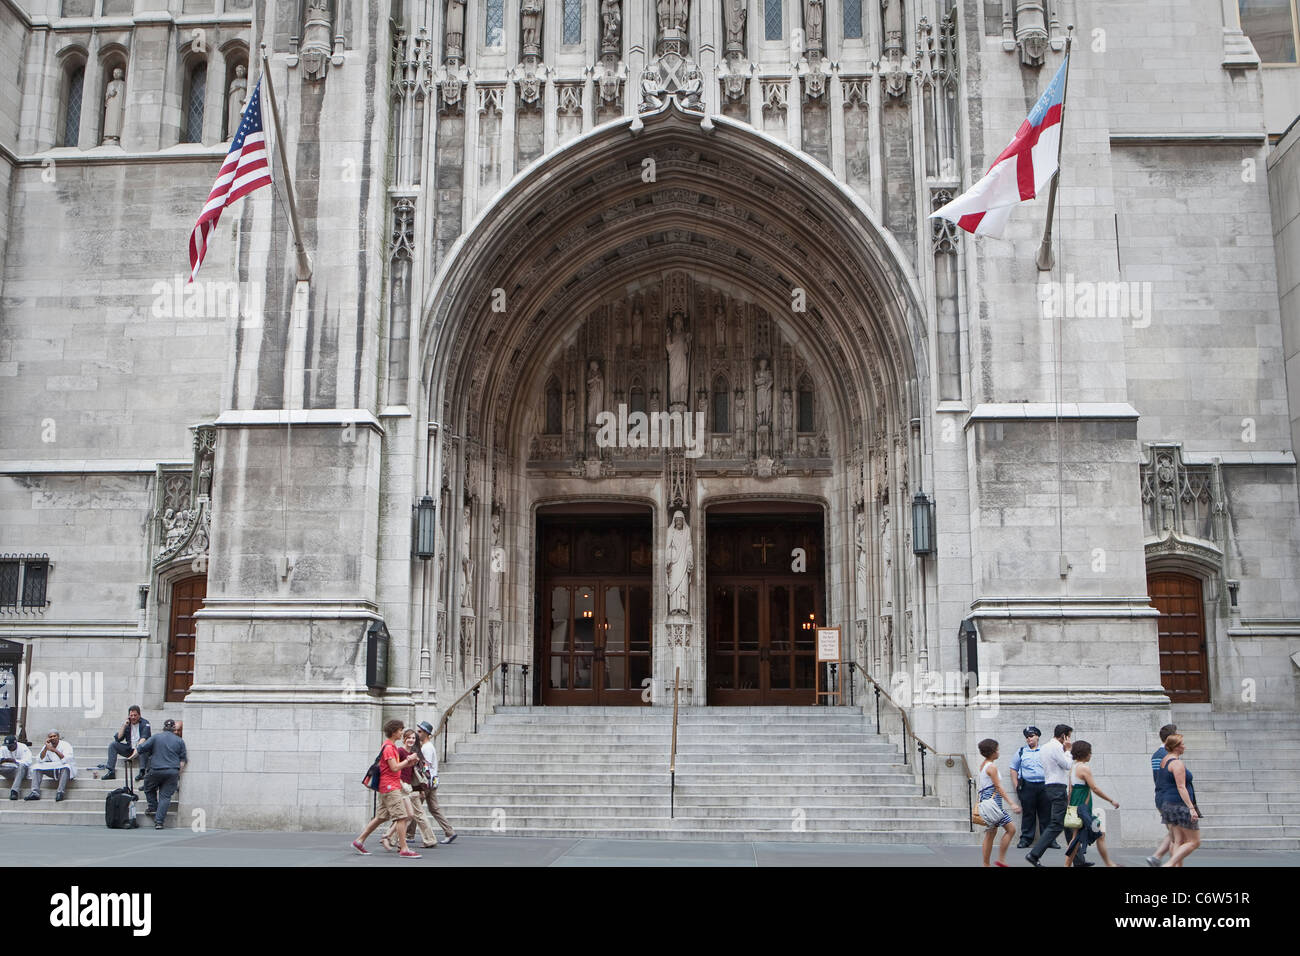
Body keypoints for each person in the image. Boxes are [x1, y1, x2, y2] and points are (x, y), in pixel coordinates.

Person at [352, 718, 421, 858]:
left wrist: (409, 763)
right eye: (401, 730)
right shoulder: (389, 748)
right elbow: (394, 767)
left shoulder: (390, 746)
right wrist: (408, 760)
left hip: (387, 786)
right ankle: (404, 848)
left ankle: (359, 841)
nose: (402, 732)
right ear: (394, 731)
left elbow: (395, 768)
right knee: (402, 817)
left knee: (381, 817)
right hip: (390, 787)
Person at [1062, 741, 1121, 867]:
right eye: (1090, 752)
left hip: (1077, 807)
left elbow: (1070, 790)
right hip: (1083, 809)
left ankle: (1109, 864)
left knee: (1095, 834)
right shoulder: (1084, 768)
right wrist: (1111, 800)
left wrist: (1070, 807)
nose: (1091, 755)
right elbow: (1094, 788)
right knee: (1077, 838)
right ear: (1084, 753)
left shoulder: (1073, 767)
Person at [381, 729, 439, 850]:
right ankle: (392, 838)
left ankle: (390, 837)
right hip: (400, 785)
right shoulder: (400, 751)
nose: (411, 740)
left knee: (406, 815)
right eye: (409, 738)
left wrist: (420, 788)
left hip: (408, 787)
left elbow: (415, 773)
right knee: (406, 815)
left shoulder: (413, 753)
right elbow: (394, 768)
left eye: (413, 738)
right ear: (404, 739)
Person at [1025, 723, 1072, 866]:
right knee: (1057, 824)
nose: (1070, 739)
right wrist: (1068, 750)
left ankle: (1078, 859)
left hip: (1050, 786)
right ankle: (1034, 854)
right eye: (1069, 736)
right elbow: (1068, 765)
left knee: (1068, 826)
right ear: (1064, 736)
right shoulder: (1057, 747)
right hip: (1058, 787)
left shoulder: (1045, 747)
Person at [1009, 726, 1059, 850]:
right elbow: (1013, 768)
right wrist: (1016, 786)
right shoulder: (1021, 751)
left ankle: (1049, 840)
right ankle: (1026, 839)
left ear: (1037, 736)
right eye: (1027, 737)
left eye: (1031, 736)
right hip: (1027, 786)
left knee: (1046, 814)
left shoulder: (1045, 751)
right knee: (1028, 814)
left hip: (1044, 786)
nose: (1028, 739)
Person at [131, 718, 186, 829]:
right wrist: (177, 773)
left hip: (156, 770)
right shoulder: (180, 741)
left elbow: (141, 748)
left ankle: (153, 806)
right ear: (174, 729)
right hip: (172, 771)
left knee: (147, 787)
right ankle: (159, 822)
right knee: (165, 797)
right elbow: (182, 761)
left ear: (164, 727)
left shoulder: (156, 737)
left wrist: (131, 756)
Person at [1156, 734, 1201, 867]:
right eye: (1182, 744)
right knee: (1194, 841)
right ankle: (1169, 864)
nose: (1184, 746)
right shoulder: (1177, 763)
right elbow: (1181, 786)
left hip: (1168, 804)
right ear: (1176, 747)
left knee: (1178, 840)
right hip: (1179, 805)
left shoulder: (1164, 760)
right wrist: (1191, 808)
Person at [976, 739, 1020, 867]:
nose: (998, 752)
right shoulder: (992, 767)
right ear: (992, 751)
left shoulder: (984, 764)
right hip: (993, 802)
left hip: (988, 800)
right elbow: (998, 787)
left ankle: (989, 863)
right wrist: (1012, 803)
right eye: (997, 749)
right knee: (1010, 829)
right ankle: (998, 860)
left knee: (991, 832)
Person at [1146, 723, 1182, 867]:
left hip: (1160, 796)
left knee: (1174, 833)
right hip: (1169, 797)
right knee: (1177, 837)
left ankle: (1158, 857)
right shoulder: (1168, 756)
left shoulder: (1156, 755)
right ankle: (1161, 858)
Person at [416, 720, 457, 844]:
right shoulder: (427, 746)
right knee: (433, 808)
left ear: (426, 733)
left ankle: (409, 834)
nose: (417, 734)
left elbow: (425, 767)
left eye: (420, 731)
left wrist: (421, 785)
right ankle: (449, 831)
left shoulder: (427, 748)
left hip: (427, 782)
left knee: (415, 808)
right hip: (432, 781)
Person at [25, 729, 76, 802]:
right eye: (50, 736)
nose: (52, 738)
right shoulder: (48, 746)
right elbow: (40, 759)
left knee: (66, 767)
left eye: (54, 736)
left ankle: (60, 792)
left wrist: (54, 750)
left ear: (58, 737)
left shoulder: (66, 745)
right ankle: (35, 793)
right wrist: (46, 748)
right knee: (36, 767)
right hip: (53, 768)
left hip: (64, 769)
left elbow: (66, 760)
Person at [103, 704, 150, 781]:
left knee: (143, 746)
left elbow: (143, 739)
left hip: (141, 750)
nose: (133, 717)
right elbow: (118, 738)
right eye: (131, 715)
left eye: (135, 715)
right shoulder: (128, 724)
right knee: (113, 745)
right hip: (130, 748)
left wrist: (134, 754)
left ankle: (142, 772)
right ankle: (111, 771)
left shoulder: (145, 723)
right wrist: (124, 725)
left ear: (139, 715)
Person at [1, 735, 32, 799]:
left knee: (22, 766)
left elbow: (28, 762)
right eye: (8, 746)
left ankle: (14, 791)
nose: (9, 748)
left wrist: (15, 761)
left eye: (11, 746)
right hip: (9, 770)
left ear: (15, 743)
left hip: (21, 771)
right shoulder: (3, 748)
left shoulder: (23, 747)